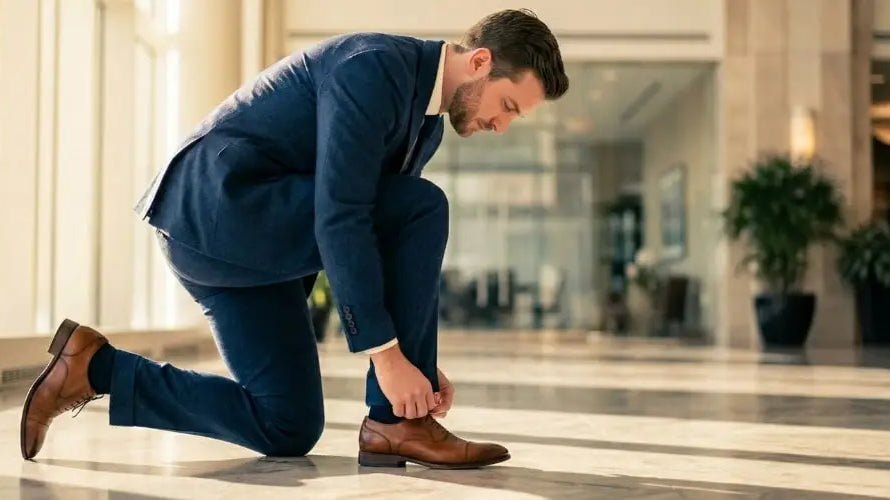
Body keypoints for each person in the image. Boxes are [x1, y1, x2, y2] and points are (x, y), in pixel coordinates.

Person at [20, 9, 568, 469]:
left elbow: (382, 245)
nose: (502, 125)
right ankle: (398, 425)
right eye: (509, 106)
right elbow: (341, 216)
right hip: (221, 213)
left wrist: (416, 368)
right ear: (480, 62)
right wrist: (390, 357)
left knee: (286, 423)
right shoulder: (375, 68)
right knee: (423, 205)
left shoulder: (424, 123)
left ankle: (94, 368)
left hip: (250, 247)